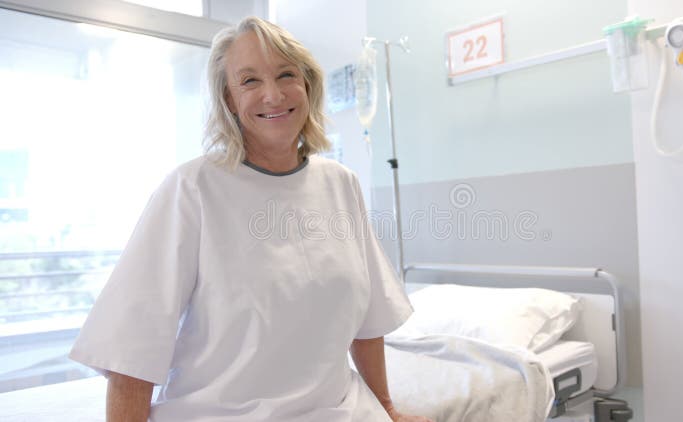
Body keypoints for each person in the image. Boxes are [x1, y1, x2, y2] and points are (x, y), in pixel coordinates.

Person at [69, 16, 433, 422]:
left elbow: (368, 322)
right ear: (228, 100)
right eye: (249, 81)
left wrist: (387, 408)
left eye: (285, 74)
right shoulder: (192, 189)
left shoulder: (340, 184)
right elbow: (131, 345)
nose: (274, 95)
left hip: (341, 410)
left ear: (308, 86)